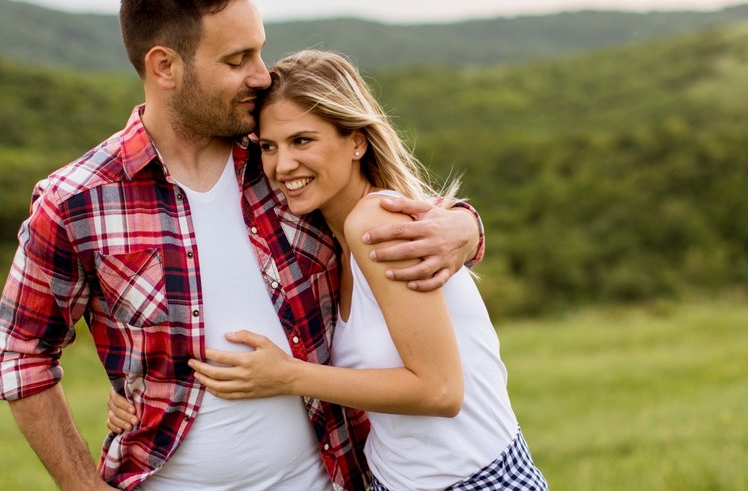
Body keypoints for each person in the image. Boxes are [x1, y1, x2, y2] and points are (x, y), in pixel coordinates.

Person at [0, 0, 485, 491]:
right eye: (237, 59)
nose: (261, 75)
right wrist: (82, 486)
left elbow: (387, 198)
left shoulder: (283, 162)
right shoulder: (78, 202)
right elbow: (22, 356)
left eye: (260, 51)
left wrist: (464, 228)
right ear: (165, 67)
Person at [108, 50, 547, 490]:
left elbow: (440, 392)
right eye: (269, 147)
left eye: (303, 141)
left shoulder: (375, 224)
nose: (282, 166)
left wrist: (288, 377)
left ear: (357, 141)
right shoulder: (326, 241)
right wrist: (142, 388)